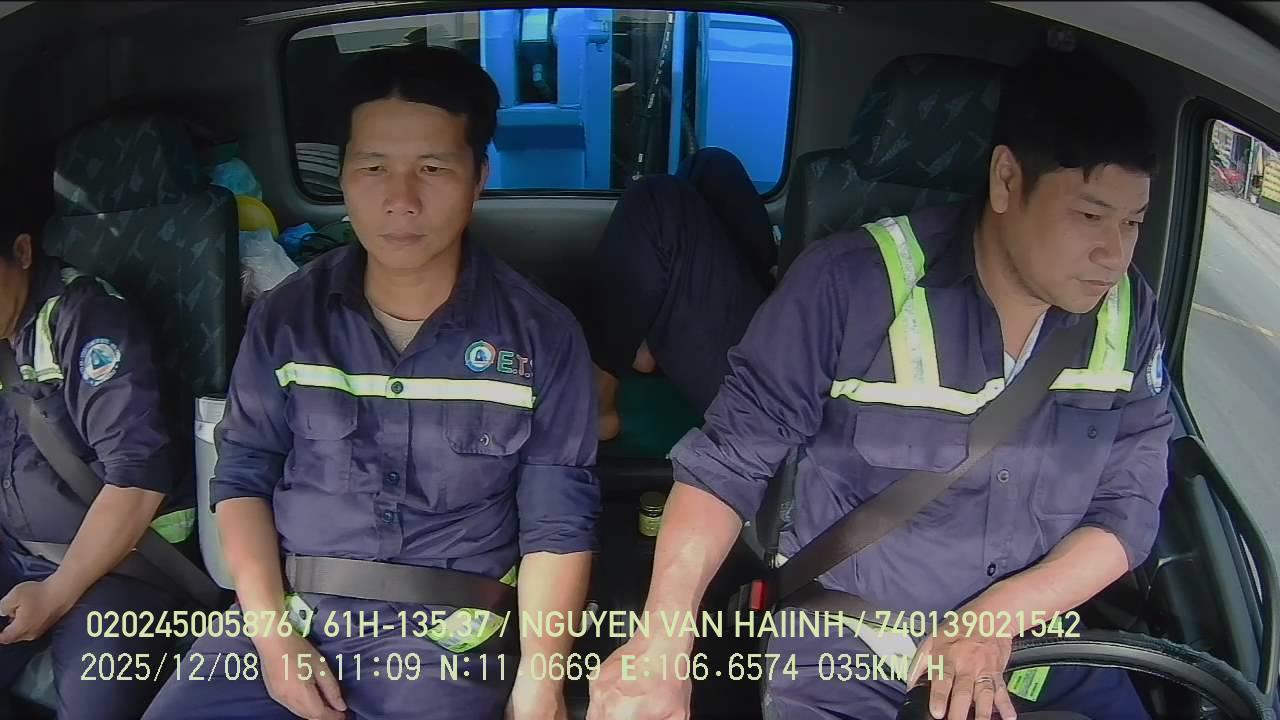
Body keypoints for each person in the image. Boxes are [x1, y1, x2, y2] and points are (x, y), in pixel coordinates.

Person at [586, 48, 1172, 720]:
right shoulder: (851, 284)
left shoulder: (1130, 314)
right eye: (1091, 217)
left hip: (1038, 644)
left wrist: (1000, 616)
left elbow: (1129, 509)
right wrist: (663, 639)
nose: (1114, 254)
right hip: (854, 647)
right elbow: (727, 464)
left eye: (1133, 223)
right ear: (1007, 180)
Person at [142, 45, 600, 720]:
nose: (400, 200)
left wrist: (542, 680)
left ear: (479, 178)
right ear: (344, 175)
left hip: (447, 637)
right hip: (285, 614)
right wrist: (272, 639)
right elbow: (242, 477)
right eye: (374, 167)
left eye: (433, 168)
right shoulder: (286, 319)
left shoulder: (542, 335)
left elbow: (556, 523)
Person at [0, 217, 190, 718]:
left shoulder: (86, 317)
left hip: (122, 568)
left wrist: (55, 595)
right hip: (17, 551)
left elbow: (138, 476)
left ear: (22, 253)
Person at [580, 147, 776, 440]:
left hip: (790, 392)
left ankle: (597, 400)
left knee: (656, 202)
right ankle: (648, 340)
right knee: (712, 166)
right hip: (791, 334)